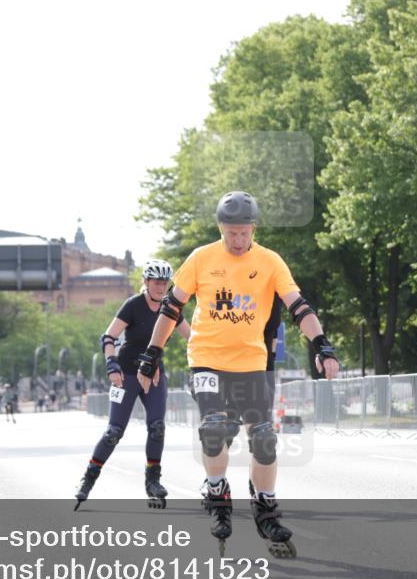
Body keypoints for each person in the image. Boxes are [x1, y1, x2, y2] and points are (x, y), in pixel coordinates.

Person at [136, 191, 340, 558]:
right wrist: (152, 354)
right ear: (221, 228)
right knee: (214, 429)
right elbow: (171, 308)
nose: (238, 240)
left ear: (253, 229)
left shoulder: (269, 261)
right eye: (231, 233)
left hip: (251, 363)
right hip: (207, 358)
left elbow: (299, 306)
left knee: (264, 438)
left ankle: (266, 509)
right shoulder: (201, 258)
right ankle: (217, 492)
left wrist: (322, 346)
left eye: (244, 233)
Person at [73, 260, 191, 511]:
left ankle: (153, 482)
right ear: (146, 282)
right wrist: (111, 365)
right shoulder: (133, 305)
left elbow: (193, 339)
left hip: (154, 374)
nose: (161, 286)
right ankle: (88, 479)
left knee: (157, 427)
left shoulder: (171, 308)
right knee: (114, 431)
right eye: (156, 281)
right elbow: (109, 336)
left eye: (165, 282)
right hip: (125, 374)